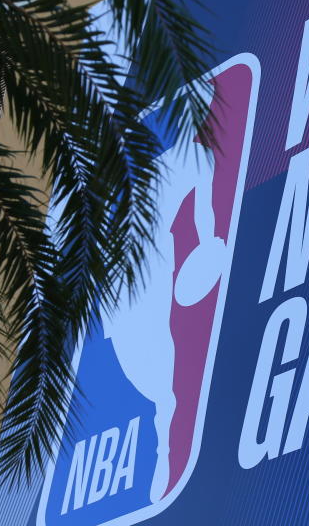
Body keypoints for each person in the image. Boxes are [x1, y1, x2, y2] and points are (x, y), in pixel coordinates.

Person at [103, 139, 225, 504]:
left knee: (163, 387)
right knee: (147, 370)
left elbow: (207, 222)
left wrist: (209, 251)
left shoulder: (197, 158)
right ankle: (161, 448)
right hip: (127, 280)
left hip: (155, 267)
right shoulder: (127, 188)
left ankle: (164, 455)